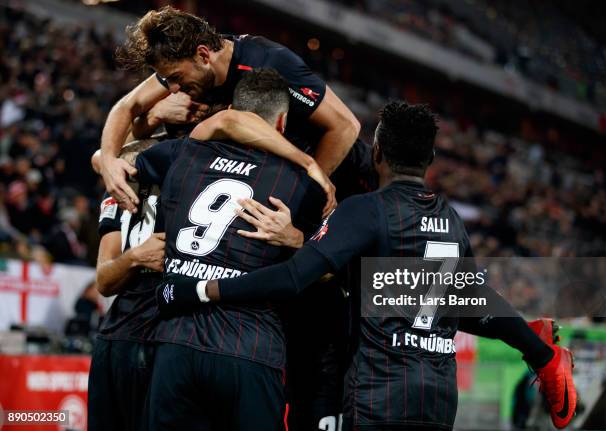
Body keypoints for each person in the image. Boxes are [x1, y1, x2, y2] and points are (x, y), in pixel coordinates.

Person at [166, 102, 577, 430]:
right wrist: (530, 341)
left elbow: (292, 279)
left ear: (376, 153)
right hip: (436, 401)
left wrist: (201, 290)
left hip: (379, 396)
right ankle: (544, 354)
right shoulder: (451, 219)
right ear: (432, 157)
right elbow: (459, 301)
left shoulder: (365, 211)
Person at [132, 69, 327, 430]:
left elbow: (120, 158)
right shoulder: (301, 185)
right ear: (281, 123)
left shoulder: (182, 154)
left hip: (176, 340)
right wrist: (298, 237)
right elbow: (327, 265)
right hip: (250, 348)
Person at [97, 6, 360, 214]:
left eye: (176, 78)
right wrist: (109, 160)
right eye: (167, 81)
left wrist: (306, 194)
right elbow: (126, 106)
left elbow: (346, 125)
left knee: (373, 278)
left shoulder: (267, 62)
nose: (172, 89)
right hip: (270, 173)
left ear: (203, 55)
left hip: (342, 180)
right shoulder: (184, 69)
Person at [88, 172, 167, 431]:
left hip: (170, 337)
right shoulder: (118, 191)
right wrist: (135, 257)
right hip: (117, 337)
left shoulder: (193, 178)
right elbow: (103, 281)